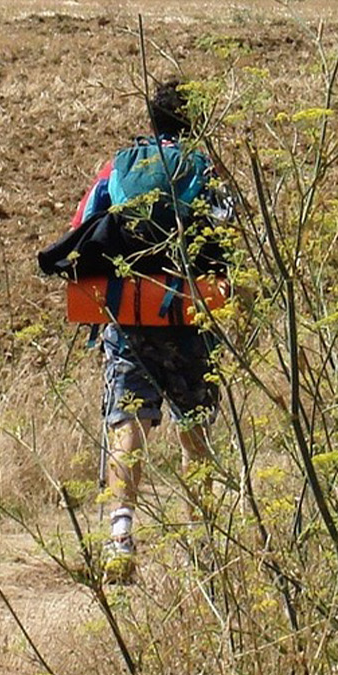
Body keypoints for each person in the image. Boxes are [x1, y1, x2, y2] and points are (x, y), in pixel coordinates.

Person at [71, 78, 225, 583]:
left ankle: (119, 537)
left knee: (127, 424)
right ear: (195, 123)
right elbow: (231, 240)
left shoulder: (120, 167)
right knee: (194, 429)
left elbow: (82, 230)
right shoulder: (205, 169)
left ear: (152, 121)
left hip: (129, 314)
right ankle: (201, 547)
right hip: (189, 315)